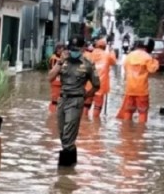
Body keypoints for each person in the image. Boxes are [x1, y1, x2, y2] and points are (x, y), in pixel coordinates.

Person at [48, 36, 100, 167]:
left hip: (76, 100)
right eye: (71, 49)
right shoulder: (63, 61)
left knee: (68, 136)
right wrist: (60, 62)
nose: (73, 52)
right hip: (63, 99)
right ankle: (71, 163)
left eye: (76, 49)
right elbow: (50, 77)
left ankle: (65, 171)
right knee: (62, 133)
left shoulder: (87, 64)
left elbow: (96, 85)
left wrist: (85, 96)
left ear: (83, 49)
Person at [116, 38, 159, 123]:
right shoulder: (148, 57)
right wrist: (155, 61)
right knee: (142, 112)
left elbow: (125, 67)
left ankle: (127, 131)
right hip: (142, 90)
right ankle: (140, 132)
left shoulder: (129, 56)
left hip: (129, 89)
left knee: (128, 110)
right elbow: (152, 70)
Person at [85, 38, 117, 118]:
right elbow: (114, 62)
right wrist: (112, 51)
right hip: (100, 85)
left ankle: (83, 121)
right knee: (97, 106)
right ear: (105, 47)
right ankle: (95, 124)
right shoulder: (107, 55)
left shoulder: (89, 54)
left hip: (89, 84)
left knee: (86, 104)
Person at [48, 43, 65, 112]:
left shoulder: (60, 58)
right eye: (63, 49)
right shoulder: (54, 58)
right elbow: (54, 70)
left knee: (60, 100)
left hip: (60, 82)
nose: (64, 51)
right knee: (54, 101)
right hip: (56, 81)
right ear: (58, 49)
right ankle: (52, 115)